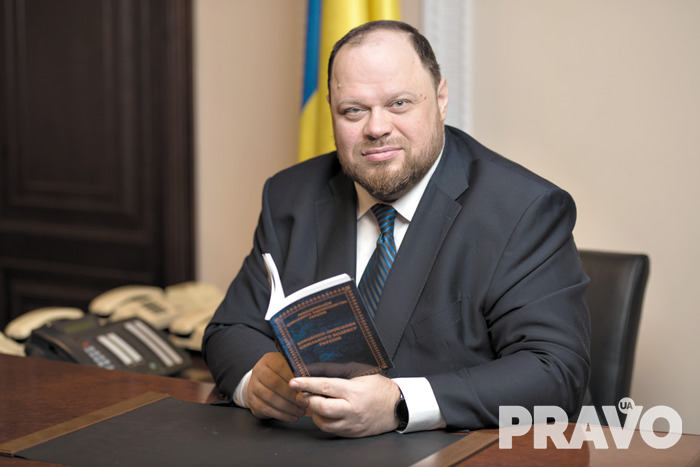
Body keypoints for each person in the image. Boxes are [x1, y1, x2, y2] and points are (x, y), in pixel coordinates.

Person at [202, 20, 590, 438]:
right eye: (353, 110)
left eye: (399, 103)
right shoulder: (290, 195)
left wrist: (400, 403)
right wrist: (257, 379)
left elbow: (555, 370)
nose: (376, 128)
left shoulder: (523, 209)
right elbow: (231, 329)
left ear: (440, 98)